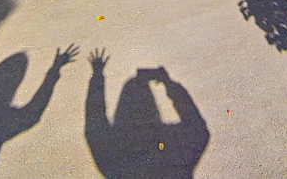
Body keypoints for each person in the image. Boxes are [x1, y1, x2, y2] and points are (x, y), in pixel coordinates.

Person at [85, 49, 210, 178]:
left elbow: (200, 131)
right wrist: (97, 76)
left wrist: (168, 83)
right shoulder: (112, 168)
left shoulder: (115, 166)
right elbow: (94, 122)